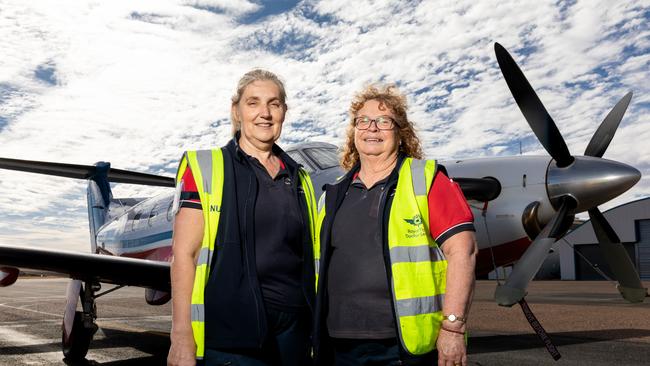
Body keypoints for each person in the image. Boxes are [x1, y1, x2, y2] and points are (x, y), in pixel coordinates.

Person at [313, 84, 477, 366]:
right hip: (338, 344)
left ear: (401, 133)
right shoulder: (330, 195)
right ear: (354, 133)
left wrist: (453, 327)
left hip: (404, 346)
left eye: (384, 121)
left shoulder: (426, 179)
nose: (372, 128)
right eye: (363, 121)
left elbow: (464, 252)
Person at [167, 69, 318, 366]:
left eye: (274, 104)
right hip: (233, 336)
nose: (265, 113)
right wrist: (181, 333)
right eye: (253, 103)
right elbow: (185, 254)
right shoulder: (206, 167)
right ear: (236, 111)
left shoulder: (301, 179)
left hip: (295, 334)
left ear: (284, 112)